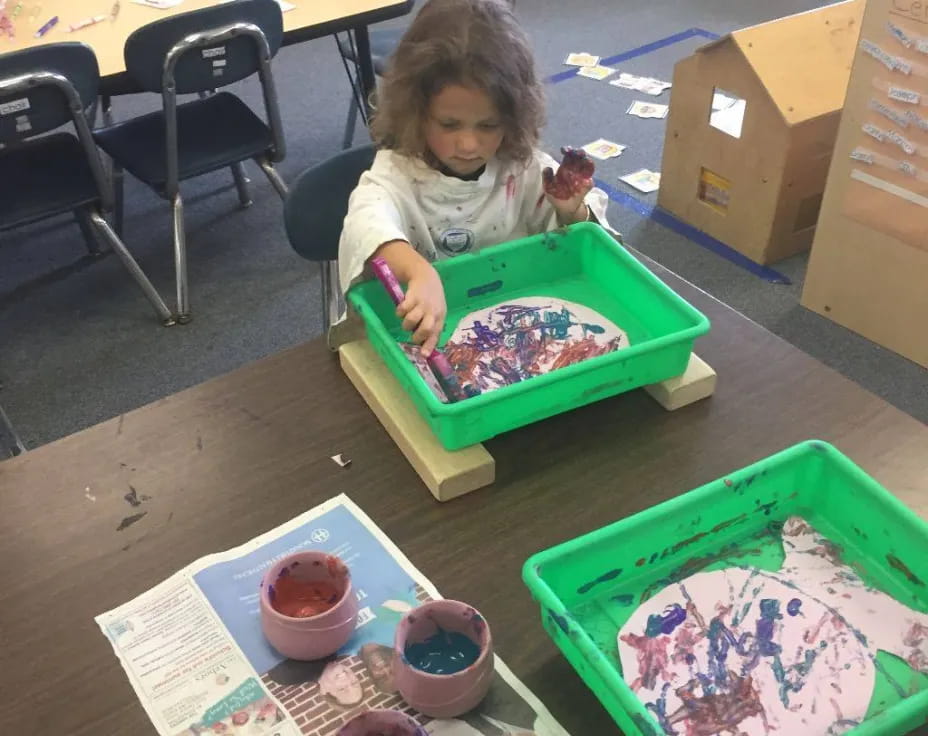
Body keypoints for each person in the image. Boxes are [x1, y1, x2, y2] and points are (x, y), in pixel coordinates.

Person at [338, 0, 615, 357]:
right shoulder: (396, 174)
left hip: (519, 329)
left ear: (513, 118)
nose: (468, 145)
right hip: (427, 335)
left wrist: (569, 213)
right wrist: (418, 272)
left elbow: (585, 247)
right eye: (449, 124)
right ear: (416, 112)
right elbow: (365, 223)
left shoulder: (523, 166)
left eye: (488, 125)